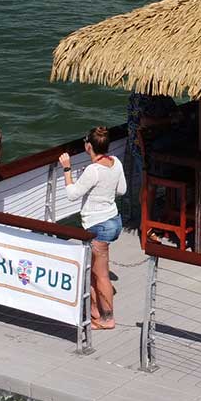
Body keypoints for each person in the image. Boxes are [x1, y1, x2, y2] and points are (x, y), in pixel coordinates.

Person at [59, 126, 126, 330]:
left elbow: (72, 194)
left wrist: (67, 169)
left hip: (99, 225)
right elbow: (121, 190)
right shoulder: (116, 163)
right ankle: (95, 312)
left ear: (89, 146)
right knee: (94, 271)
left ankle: (107, 319)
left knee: (101, 274)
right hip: (114, 219)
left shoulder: (93, 170)